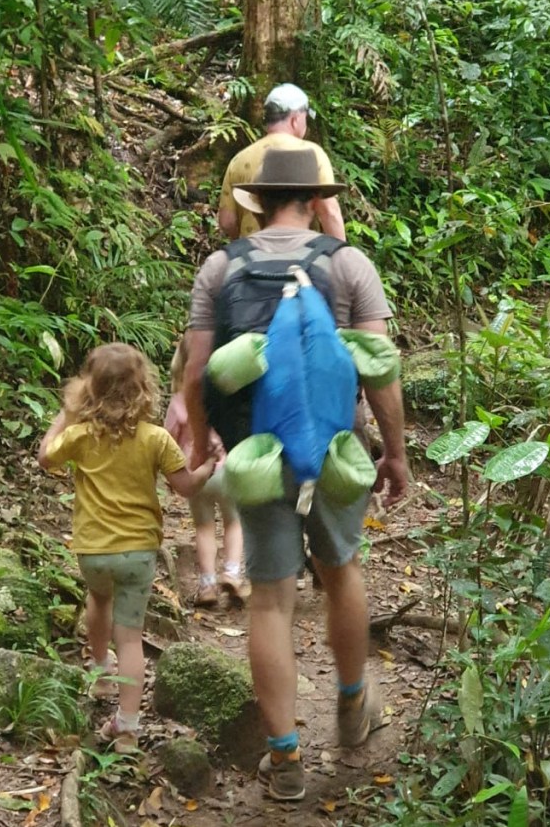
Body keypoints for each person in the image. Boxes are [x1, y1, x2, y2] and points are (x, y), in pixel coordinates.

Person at [183, 148, 408, 801]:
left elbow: (198, 374)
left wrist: (204, 446)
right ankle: (350, 707)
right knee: (342, 573)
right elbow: (381, 369)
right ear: (314, 200)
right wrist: (395, 453)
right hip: (337, 450)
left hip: (257, 457)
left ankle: (285, 761)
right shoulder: (348, 263)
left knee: (273, 599)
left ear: (253, 203)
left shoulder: (220, 269)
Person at [38, 343, 214, 753]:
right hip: (138, 552)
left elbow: (45, 457)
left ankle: (101, 674)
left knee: (98, 600)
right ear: (144, 390)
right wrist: (206, 467)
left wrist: (65, 415)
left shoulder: (80, 437)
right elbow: (185, 486)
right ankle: (129, 728)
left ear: (89, 392)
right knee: (131, 637)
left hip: (93, 551)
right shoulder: (156, 439)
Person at [164, 338, 249, 607]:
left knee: (203, 527)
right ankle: (233, 573)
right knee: (234, 521)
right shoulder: (224, 398)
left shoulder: (179, 402)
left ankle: (207, 585)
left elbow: (167, 440)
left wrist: (172, 474)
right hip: (226, 469)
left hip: (194, 473)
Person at [218, 83, 346, 242]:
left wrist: (242, 243)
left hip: (252, 256)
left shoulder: (239, 159)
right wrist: (340, 254)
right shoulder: (311, 154)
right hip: (301, 257)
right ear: (295, 119)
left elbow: (227, 220)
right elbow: (329, 212)